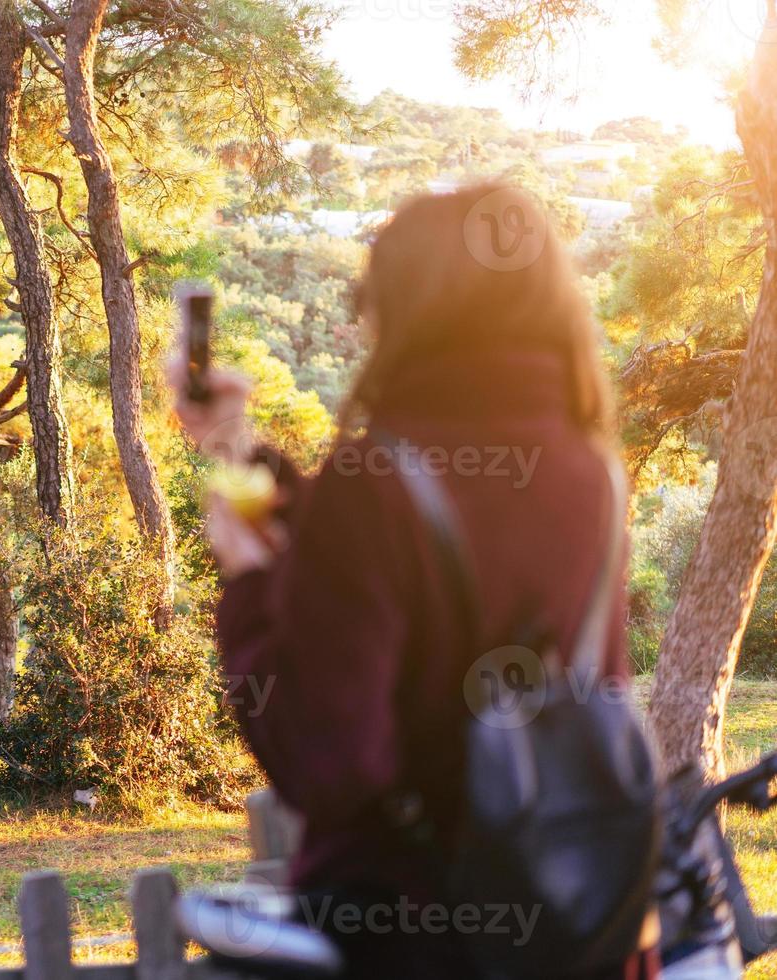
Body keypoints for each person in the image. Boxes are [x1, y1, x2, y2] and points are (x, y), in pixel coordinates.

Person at [170, 184, 659, 978]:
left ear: (408, 309)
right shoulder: (592, 470)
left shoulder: (376, 482)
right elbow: (442, 545)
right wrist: (237, 448)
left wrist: (252, 590)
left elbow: (329, 765)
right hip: (575, 928)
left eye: (369, 296)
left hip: (412, 935)